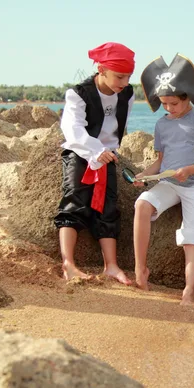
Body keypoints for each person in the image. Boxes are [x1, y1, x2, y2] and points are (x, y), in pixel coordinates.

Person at [134, 54, 194, 305]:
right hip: (169, 182)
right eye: (164, 104)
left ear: (187, 97)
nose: (169, 108)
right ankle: (141, 270)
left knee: (191, 237)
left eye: (173, 103)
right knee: (142, 204)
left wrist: (190, 170)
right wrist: (144, 175)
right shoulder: (162, 125)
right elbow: (160, 162)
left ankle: (188, 291)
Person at [54, 42, 136, 285]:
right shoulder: (78, 94)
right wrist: (95, 150)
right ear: (102, 69)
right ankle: (68, 264)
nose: (124, 82)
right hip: (80, 153)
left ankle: (111, 266)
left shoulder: (127, 94)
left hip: (108, 156)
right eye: (120, 76)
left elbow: (118, 127)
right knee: (74, 203)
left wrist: (107, 151)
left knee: (108, 208)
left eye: (128, 76)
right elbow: (72, 129)